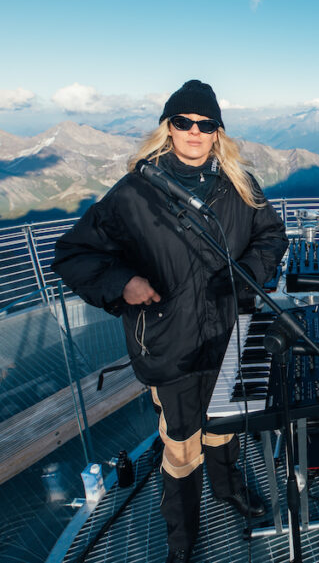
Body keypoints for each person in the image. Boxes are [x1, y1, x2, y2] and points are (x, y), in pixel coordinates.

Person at [52, 80, 289, 563]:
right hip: (167, 342)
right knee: (180, 444)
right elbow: (74, 253)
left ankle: (228, 489)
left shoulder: (238, 184)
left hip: (226, 335)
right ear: (168, 127)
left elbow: (271, 236)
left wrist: (248, 276)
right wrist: (124, 283)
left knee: (225, 424)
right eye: (184, 122)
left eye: (206, 124)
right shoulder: (134, 193)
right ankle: (181, 537)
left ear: (218, 131)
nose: (195, 132)